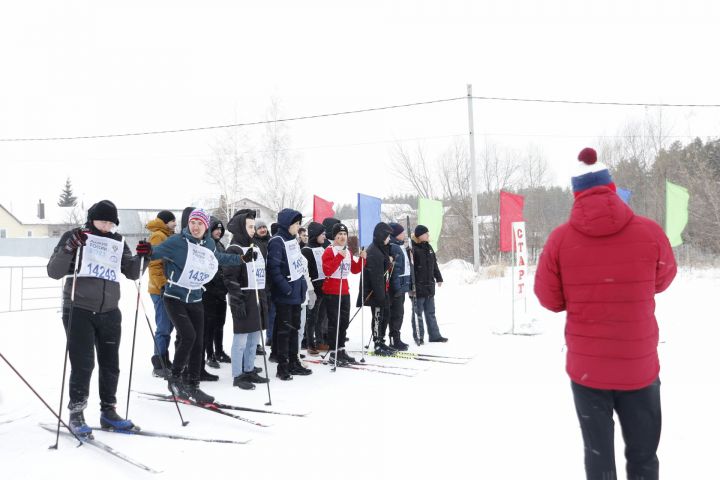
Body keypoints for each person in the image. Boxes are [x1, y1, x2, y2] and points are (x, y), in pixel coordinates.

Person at [534, 147, 677, 480]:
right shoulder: (650, 231)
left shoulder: (559, 240)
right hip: (638, 366)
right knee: (643, 455)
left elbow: (550, 299)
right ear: (612, 188)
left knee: (598, 459)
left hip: (588, 371)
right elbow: (664, 278)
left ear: (576, 194)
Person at [47, 200, 144, 435]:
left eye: (111, 222)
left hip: (110, 310)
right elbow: (54, 271)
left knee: (111, 364)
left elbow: (132, 272)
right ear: (92, 219)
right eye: (103, 220)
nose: (106, 226)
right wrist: (69, 247)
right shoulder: (75, 235)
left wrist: (143, 258)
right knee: (83, 363)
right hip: (79, 308)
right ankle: (76, 413)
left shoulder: (118, 241)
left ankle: (108, 412)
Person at [143, 208, 254, 403]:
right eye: (193, 223)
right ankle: (175, 378)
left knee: (199, 341)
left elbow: (218, 258)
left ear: (205, 226)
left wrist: (241, 259)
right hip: (174, 296)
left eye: (200, 224)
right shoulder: (177, 242)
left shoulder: (208, 243)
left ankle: (193, 385)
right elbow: (156, 253)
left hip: (195, 297)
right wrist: (147, 251)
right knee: (188, 336)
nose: (195, 227)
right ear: (188, 224)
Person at [223, 209, 270, 390]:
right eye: (249, 227)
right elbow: (229, 278)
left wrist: (263, 298)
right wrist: (237, 300)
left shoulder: (254, 247)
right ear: (241, 228)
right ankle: (238, 374)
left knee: (253, 338)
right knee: (240, 339)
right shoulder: (233, 249)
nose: (252, 230)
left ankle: (249, 369)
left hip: (257, 296)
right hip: (243, 297)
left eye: (253, 226)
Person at [266, 208, 312, 380]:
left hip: (296, 292)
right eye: (296, 223)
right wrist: (286, 288)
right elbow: (274, 269)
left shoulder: (292, 240)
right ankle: (283, 366)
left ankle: (294, 362)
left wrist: (302, 287)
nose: (298, 226)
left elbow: (299, 265)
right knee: (285, 331)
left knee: (295, 329)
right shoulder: (277, 241)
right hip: (285, 294)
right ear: (287, 224)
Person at [322, 223, 365, 364]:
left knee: (344, 322)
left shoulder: (347, 251)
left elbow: (354, 269)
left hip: (344, 289)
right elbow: (327, 270)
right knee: (335, 322)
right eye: (339, 234)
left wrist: (363, 259)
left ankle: (341, 349)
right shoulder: (329, 251)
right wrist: (339, 257)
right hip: (332, 290)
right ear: (334, 236)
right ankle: (333, 352)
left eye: (344, 234)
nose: (342, 237)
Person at [146, 210, 176, 379]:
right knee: (163, 326)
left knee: (168, 326)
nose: (175, 225)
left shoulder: (166, 235)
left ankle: (164, 359)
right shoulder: (159, 236)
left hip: (166, 288)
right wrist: (163, 285)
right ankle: (158, 363)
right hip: (160, 290)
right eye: (173, 222)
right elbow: (155, 265)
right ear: (165, 222)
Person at [201, 217, 229, 379]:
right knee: (209, 325)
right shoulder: (206, 245)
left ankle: (219, 351)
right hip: (209, 292)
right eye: (215, 229)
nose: (218, 231)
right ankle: (209, 354)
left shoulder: (221, 245)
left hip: (221, 291)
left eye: (220, 229)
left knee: (220, 323)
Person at [362, 222, 396, 355]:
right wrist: (380, 295)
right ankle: (377, 344)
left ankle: (381, 340)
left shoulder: (381, 248)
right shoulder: (374, 251)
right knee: (378, 317)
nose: (389, 239)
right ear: (381, 235)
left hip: (383, 290)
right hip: (376, 293)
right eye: (387, 236)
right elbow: (375, 276)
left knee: (385, 316)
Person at [411, 225, 447, 343]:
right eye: (426, 233)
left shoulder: (429, 247)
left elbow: (434, 265)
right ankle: (419, 336)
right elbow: (410, 269)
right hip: (417, 287)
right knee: (418, 314)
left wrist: (439, 277)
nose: (428, 235)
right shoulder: (413, 249)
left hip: (429, 286)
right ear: (419, 235)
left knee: (431, 312)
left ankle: (435, 336)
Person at [301, 222, 328, 354]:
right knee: (312, 317)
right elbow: (306, 272)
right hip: (313, 288)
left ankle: (320, 341)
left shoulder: (322, 248)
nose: (324, 236)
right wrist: (310, 289)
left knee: (321, 317)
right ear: (315, 235)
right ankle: (309, 343)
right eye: (322, 234)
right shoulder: (306, 250)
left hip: (324, 287)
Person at [387, 222, 412, 351]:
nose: (404, 234)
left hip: (403, 285)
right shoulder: (394, 247)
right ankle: (394, 339)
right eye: (402, 232)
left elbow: (407, 267)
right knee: (396, 314)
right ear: (396, 234)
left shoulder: (401, 246)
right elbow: (395, 270)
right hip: (397, 286)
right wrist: (396, 288)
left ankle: (396, 337)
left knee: (399, 313)